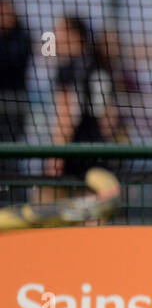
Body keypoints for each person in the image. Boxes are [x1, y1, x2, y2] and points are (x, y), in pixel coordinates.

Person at [45, 16, 118, 203]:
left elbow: (66, 117)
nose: (55, 38)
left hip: (73, 152)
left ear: (74, 35)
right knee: (94, 213)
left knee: (49, 208)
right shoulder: (99, 66)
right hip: (98, 151)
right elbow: (109, 119)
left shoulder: (67, 70)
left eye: (59, 32)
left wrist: (56, 157)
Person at [0, 0, 32, 205]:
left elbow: (11, 61)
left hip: (12, 113)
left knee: (11, 161)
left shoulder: (21, 38)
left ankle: (16, 204)